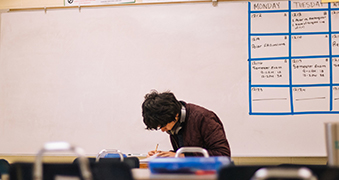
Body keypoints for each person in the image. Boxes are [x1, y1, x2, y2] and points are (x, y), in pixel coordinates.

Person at [142, 90, 231, 157]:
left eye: (163, 125)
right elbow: (187, 152)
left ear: (175, 115)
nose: (162, 130)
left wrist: (181, 156)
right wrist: (164, 155)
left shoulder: (204, 118)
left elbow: (223, 154)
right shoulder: (176, 125)